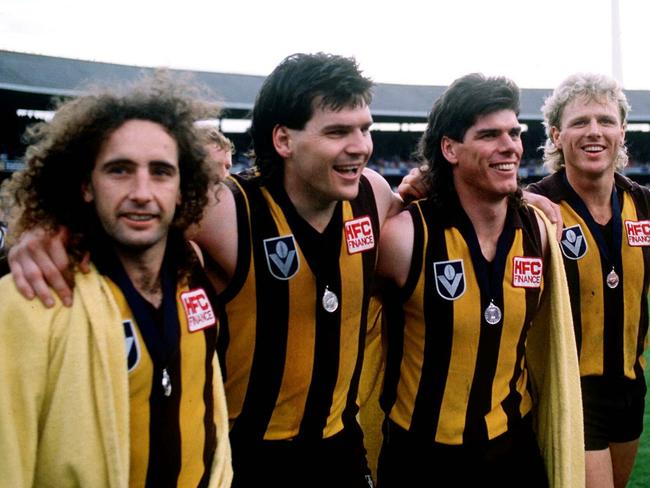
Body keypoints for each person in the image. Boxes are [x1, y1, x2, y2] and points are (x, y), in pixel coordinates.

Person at [7, 52, 404, 487]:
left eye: (364, 129)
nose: (361, 146)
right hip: (250, 456)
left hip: (340, 449)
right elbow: (130, 212)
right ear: (284, 141)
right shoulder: (227, 209)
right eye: (338, 131)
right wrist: (40, 229)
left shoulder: (375, 194)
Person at [0, 74, 232, 487]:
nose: (142, 192)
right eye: (119, 170)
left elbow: (208, 415)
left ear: (183, 188)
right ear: (87, 186)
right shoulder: (33, 295)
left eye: (161, 172)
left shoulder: (191, 274)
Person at [374, 73, 584, 486]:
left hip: (513, 450)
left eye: (515, 132)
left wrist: (524, 194)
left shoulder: (538, 232)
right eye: (489, 135)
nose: (510, 145)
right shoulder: (405, 237)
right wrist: (400, 195)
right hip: (421, 458)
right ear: (450, 148)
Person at [527, 73, 649, 488]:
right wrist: (515, 196)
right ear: (557, 136)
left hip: (630, 387)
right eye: (580, 122)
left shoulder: (642, 203)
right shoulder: (536, 207)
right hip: (569, 389)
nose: (594, 131)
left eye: (605, 120)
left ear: (621, 131)